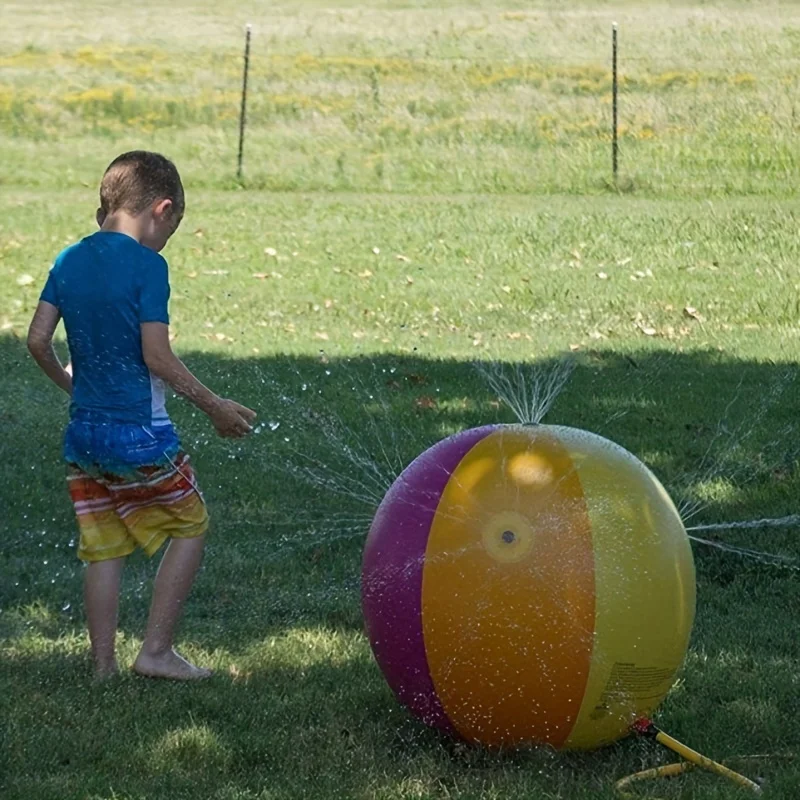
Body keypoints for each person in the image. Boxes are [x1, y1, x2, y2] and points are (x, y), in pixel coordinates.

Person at [26, 150, 256, 680]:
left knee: (103, 545)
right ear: (162, 209)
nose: (164, 242)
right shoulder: (149, 267)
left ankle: (103, 665)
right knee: (191, 523)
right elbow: (157, 355)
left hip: (83, 435)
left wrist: (71, 385)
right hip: (140, 436)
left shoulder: (68, 260)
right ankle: (155, 652)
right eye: (169, 230)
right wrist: (215, 407)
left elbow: (38, 340)